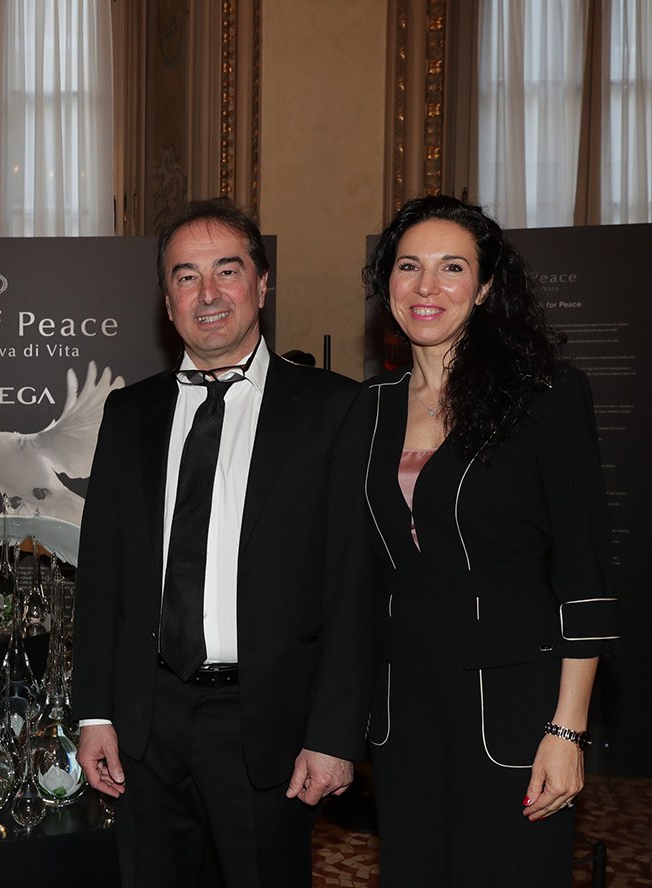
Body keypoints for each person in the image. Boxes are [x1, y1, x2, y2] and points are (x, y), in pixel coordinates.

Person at [73, 199, 373, 887]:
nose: (207, 294)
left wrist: (333, 736)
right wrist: (94, 713)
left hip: (267, 725)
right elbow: (103, 576)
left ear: (262, 284)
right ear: (166, 299)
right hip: (145, 724)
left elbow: (352, 587)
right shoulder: (129, 413)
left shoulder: (333, 409)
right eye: (186, 276)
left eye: (226, 271)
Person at [356, 195, 619, 886]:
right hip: (401, 715)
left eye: (452, 267)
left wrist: (567, 730)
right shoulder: (366, 409)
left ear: (484, 287)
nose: (426, 286)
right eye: (408, 266)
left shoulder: (545, 396)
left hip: (514, 711)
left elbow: (584, 571)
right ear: (387, 282)